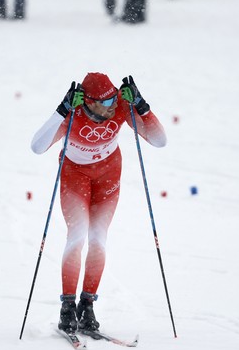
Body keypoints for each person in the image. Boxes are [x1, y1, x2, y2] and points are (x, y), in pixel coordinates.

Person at [31, 73, 166, 333]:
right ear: (88, 102)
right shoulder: (73, 113)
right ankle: (67, 307)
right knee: (78, 235)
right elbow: (37, 146)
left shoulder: (119, 107)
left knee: (98, 238)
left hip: (108, 176)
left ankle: (87, 304)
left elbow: (160, 140)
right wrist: (61, 110)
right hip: (75, 176)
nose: (112, 107)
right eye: (104, 104)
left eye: (114, 100)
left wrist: (141, 105)